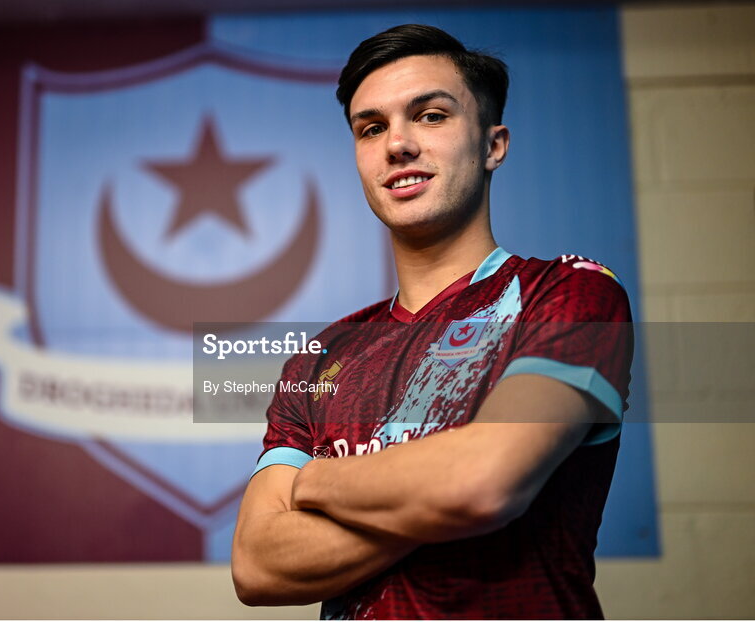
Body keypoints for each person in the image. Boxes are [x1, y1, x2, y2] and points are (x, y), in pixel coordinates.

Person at [230, 24, 633, 619]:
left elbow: (482, 484)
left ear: (493, 145)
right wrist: (433, 493)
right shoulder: (319, 358)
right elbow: (257, 565)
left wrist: (315, 485)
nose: (398, 144)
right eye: (372, 128)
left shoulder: (568, 291)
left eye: (431, 116)